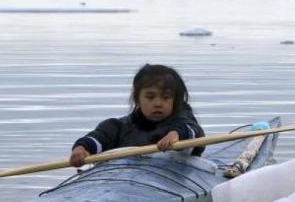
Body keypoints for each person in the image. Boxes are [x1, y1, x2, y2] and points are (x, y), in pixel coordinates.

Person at [69, 63, 203, 168]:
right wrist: (82, 148)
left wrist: (177, 134)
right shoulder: (119, 127)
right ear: (138, 99)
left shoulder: (183, 120)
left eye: (166, 97)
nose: (158, 103)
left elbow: (192, 130)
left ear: (176, 100)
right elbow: (100, 136)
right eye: (150, 97)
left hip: (173, 174)